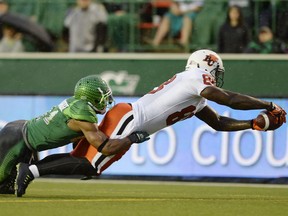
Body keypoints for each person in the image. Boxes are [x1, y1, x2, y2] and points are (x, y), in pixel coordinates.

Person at [15, 49, 286, 197]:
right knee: (90, 164)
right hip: (130, 118)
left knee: (87, 165)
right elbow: (228, 99)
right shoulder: (195, 78)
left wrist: (253, 124)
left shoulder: (195, 93)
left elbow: (218, 122)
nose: (217, 77)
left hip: (130, 118)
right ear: (209, 66)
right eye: (216, 71)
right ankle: (31, 170)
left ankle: (31, 170)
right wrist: (268, 105)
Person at [0, 75, 149, 196]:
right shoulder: (83, 114)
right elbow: (106, 148)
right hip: (17, 139)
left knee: (5, 188)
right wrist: (132, 138)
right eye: (102, 97)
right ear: (92, 98)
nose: (106, 101)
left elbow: (77, 139)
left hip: (21, 131)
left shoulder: (77, 103)